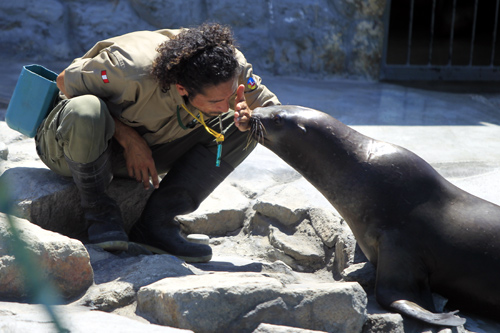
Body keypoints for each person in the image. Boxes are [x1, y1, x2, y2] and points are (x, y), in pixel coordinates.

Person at [34, 23, 280, 263]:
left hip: (147, 151)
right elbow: (64, 81)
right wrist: (129, 138)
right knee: (86, 109)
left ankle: (156, 224)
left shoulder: (231, 65)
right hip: (71, 147)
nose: (225, 106)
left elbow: (273, 110)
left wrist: (248, 114)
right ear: (182, 88)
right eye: (216, 101)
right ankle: (98, 211)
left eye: (230, 96)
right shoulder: (129, 69)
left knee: (252, 126)